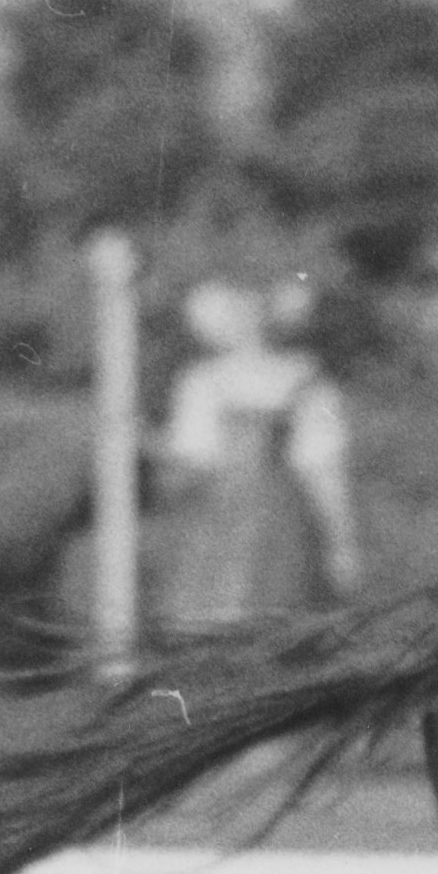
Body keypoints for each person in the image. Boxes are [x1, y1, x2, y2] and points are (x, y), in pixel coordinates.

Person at [155, 271, 361, 632]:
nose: (249, 318)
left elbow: (322, 467)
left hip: (281, 520)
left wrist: (341, 542)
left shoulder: (305, 378)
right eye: (238, 309)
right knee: (206, 624)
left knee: (277, 623)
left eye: (257, 306)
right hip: (214, 519)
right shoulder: (202, 380)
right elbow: (191, 458)